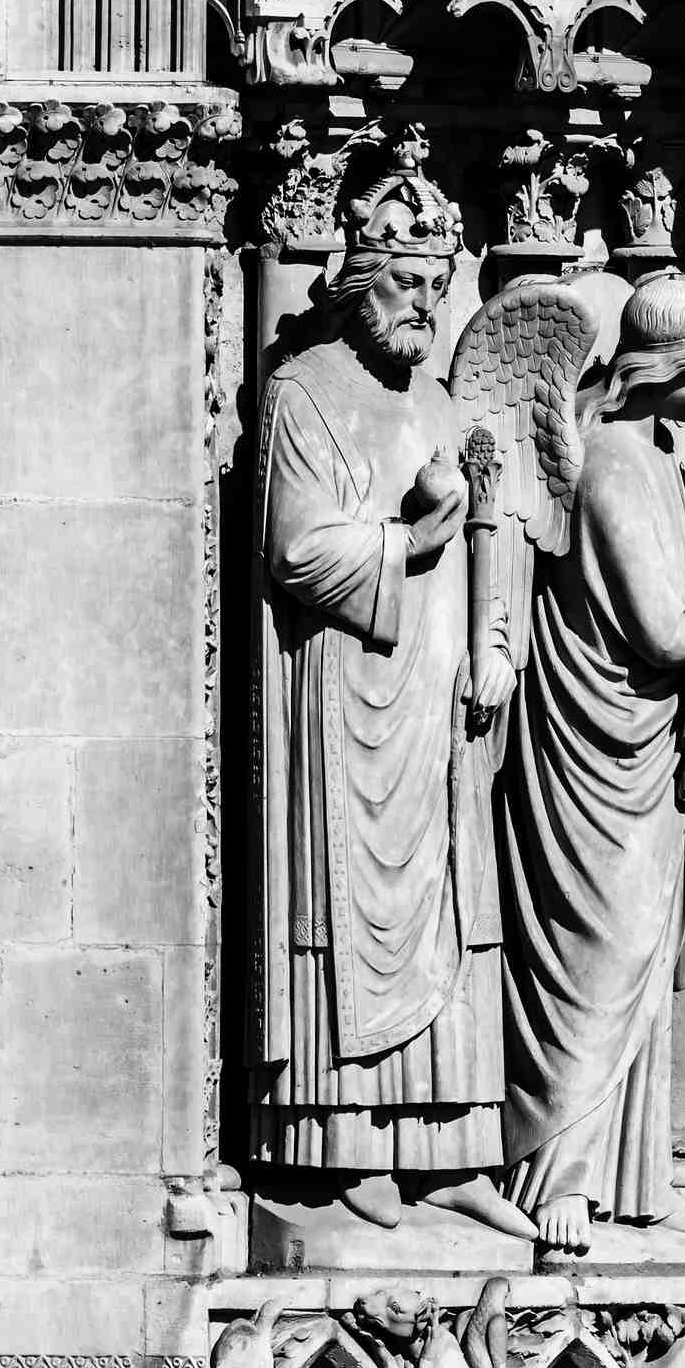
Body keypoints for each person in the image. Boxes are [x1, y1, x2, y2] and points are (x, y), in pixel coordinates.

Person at [257, 143, 534, 1243]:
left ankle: (452, 1141)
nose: (423, 302)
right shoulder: (302, 391)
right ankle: (347, 1133)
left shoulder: (443, 398)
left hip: (441, 692)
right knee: (357, 901)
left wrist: (494, 638)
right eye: (404, 281)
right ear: (355, 279)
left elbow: (491, 531)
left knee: (453, 898)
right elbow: (292, 548)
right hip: (348, 690)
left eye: (436, 281)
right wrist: (404, 535)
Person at [497, 273, 685, 1258]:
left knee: (637, 949)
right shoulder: (610, 456)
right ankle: (554, 1171)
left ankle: (619, 1175)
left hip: (636, 749)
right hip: (591, 751)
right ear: (673, 366)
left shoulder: (646, 460)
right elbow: (654, 625)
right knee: (597, 948)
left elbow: (653, 570)